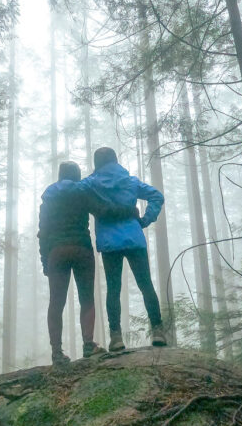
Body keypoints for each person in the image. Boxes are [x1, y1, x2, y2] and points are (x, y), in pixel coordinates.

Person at [38, 161, 136, 365]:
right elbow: (104, 210)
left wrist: (45, 262)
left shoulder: (48, 199)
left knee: (56, 302)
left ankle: (56, 353)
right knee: (87, 299)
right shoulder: (83, 192)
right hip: (81, 249)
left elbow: (43, 232)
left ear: (59, 175)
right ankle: (88, 344)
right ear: (77, 175)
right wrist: (129, 211)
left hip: (57, 251)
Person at [84, 146, 166, 351]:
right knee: (146, 284)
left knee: (113, 289)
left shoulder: (91, 183)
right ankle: (158, 331)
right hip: (134, 238)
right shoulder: (130, 181)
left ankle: (116, 336)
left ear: (97, 163)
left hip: (109, 243)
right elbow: (156, 196)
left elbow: (73, 192)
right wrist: (145, 220)